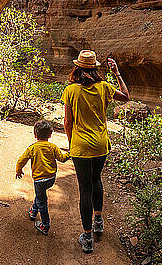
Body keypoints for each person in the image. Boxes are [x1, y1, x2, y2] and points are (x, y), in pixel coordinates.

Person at [61, 50, 130, 253]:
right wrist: (117, 73)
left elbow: (67, 121)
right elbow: (126, 96)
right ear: (95, 68)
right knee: (96, 179)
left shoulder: (71, 91)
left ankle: (88, 237)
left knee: (85, 188)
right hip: (100, 144)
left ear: (78, 68)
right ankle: (98, 221)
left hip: (80, 145)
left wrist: (71, 141)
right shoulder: (104, 87)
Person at [16, 120, 70, 235]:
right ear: (50, 135)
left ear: (35, 135)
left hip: (39, 180)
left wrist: (19, 170)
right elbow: (62, 158)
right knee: (40, 195)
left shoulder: (33, 148)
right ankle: (33, 211)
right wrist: (70, 153)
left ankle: (45, 225)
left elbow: (21, 160)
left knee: (42, 200)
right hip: (51, 179)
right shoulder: (52, 147)